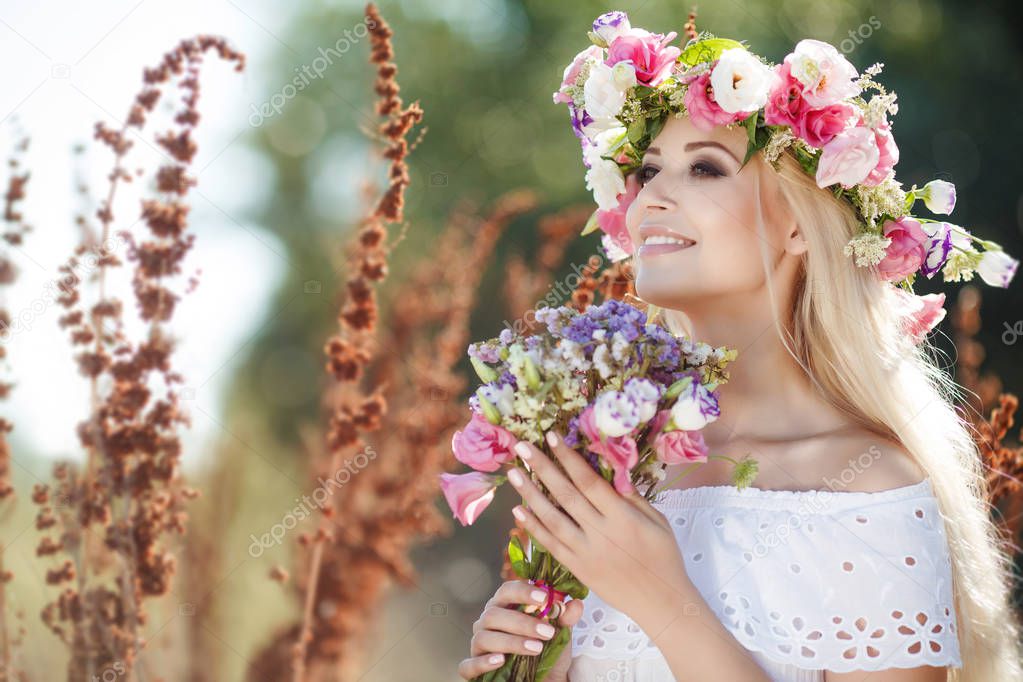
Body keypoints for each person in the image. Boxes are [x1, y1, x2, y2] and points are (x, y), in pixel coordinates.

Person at [459, 12, 1022, 682]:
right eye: (644, 169)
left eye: (703, 168)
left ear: (796, 226)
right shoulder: (618, 464)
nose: (651, 198)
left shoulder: (868, 484)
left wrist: (661, 603)